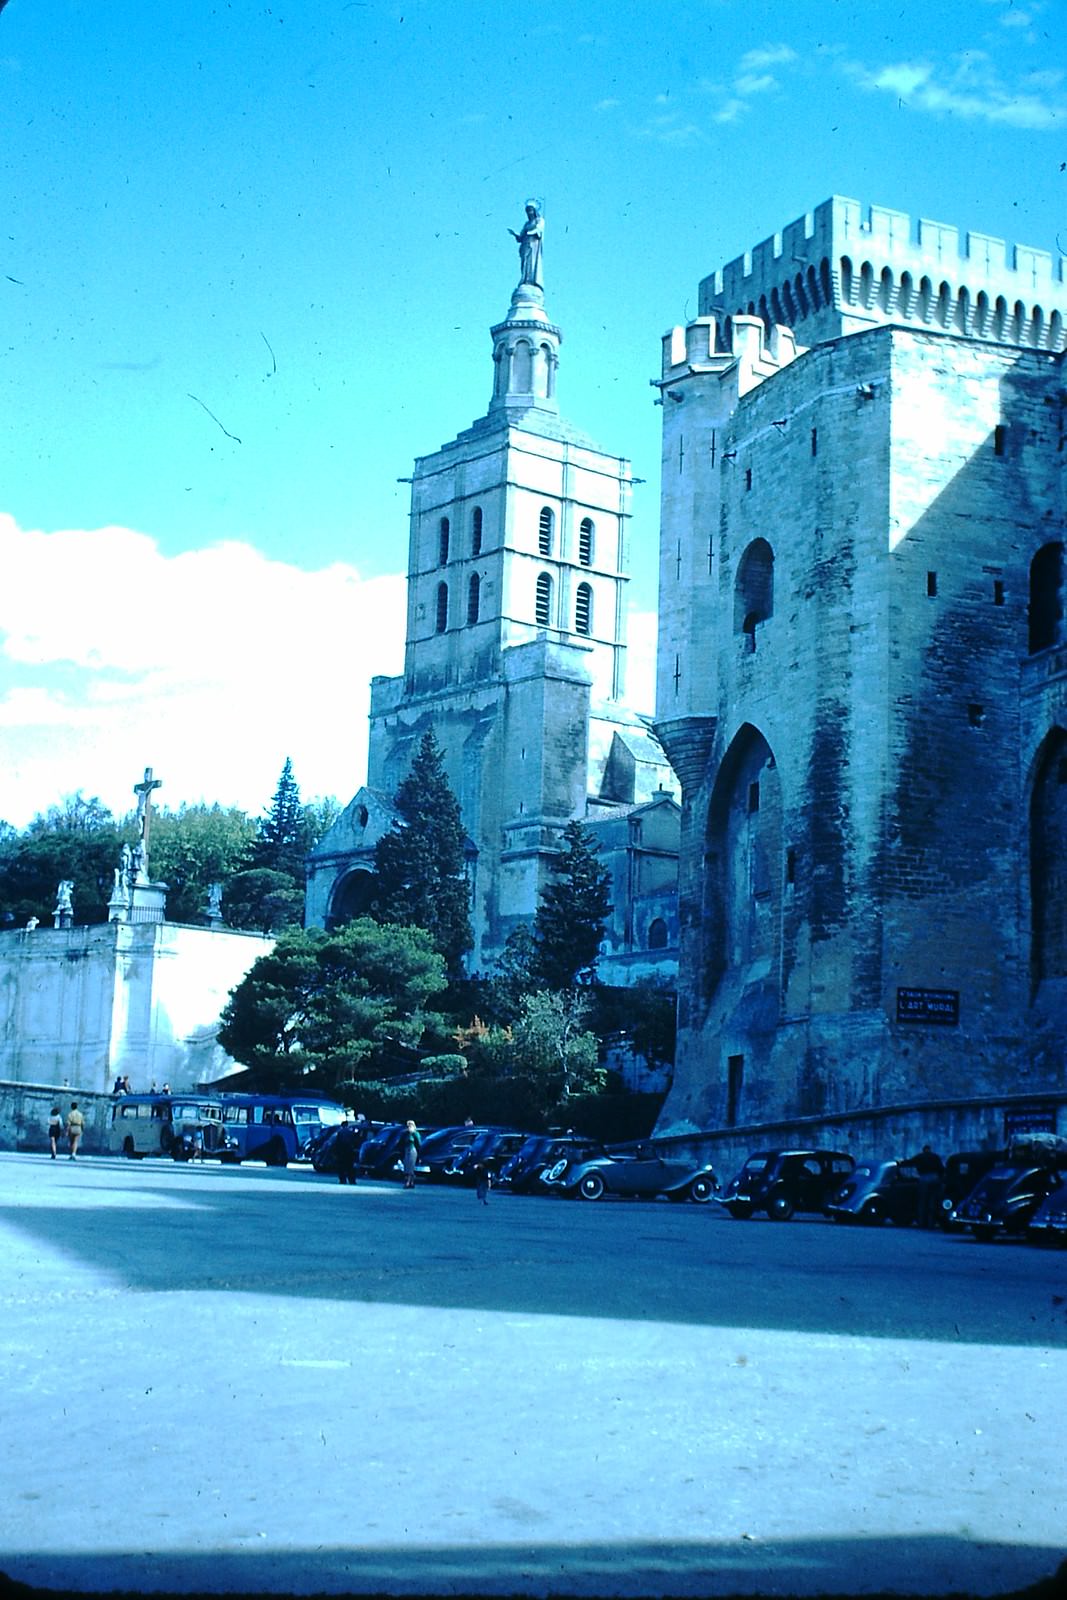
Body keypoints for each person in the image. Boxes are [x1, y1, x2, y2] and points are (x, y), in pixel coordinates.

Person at [508, 201, 544, 289]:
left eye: (531, 210)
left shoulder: (539, 220)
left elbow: (539, 230)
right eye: (527, 211)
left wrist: (530, 232)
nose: (529, 213)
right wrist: (515, 235)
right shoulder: (527, 224)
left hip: (534, 244)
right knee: (525, 263)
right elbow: (521, 237)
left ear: (534, 211)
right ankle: (525, 279)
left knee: (532, 262)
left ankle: (532, 280)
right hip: (525, 245)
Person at [908, 1144, 945, 1228]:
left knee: (922, 1201)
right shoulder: (935, 1157)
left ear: (923, 1150)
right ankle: (931, 1223)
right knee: (933, 1201)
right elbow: (941, 1169)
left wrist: (899, 1162)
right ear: (930, 1149)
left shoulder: (920, 1156)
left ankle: (922, 1223)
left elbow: (910, 1162)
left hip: (924, 1178)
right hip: (935, 1178)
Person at [334, 1117, 358, 1186]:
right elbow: (355, 1141)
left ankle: (342, 1180)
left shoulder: (340, 1133)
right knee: (350, 1167)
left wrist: (336, 1152)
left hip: (341, 1152)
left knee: (341, 1167)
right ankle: (352, 1180)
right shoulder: (351, 1132)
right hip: (350, 1152)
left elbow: (337, 1143)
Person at [402, 1120, 421, 1189]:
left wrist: (419, 1153)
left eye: (410, 1125)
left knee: (410, 1167)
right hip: (406, 1150)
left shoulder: (415, 1133)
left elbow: (418, 1144)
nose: (408, 1127)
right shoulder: (406, 1134)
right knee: (406, 1167)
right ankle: (412, 1182)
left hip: (412, 1150)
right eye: (408, 1125)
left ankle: (408, 1182)